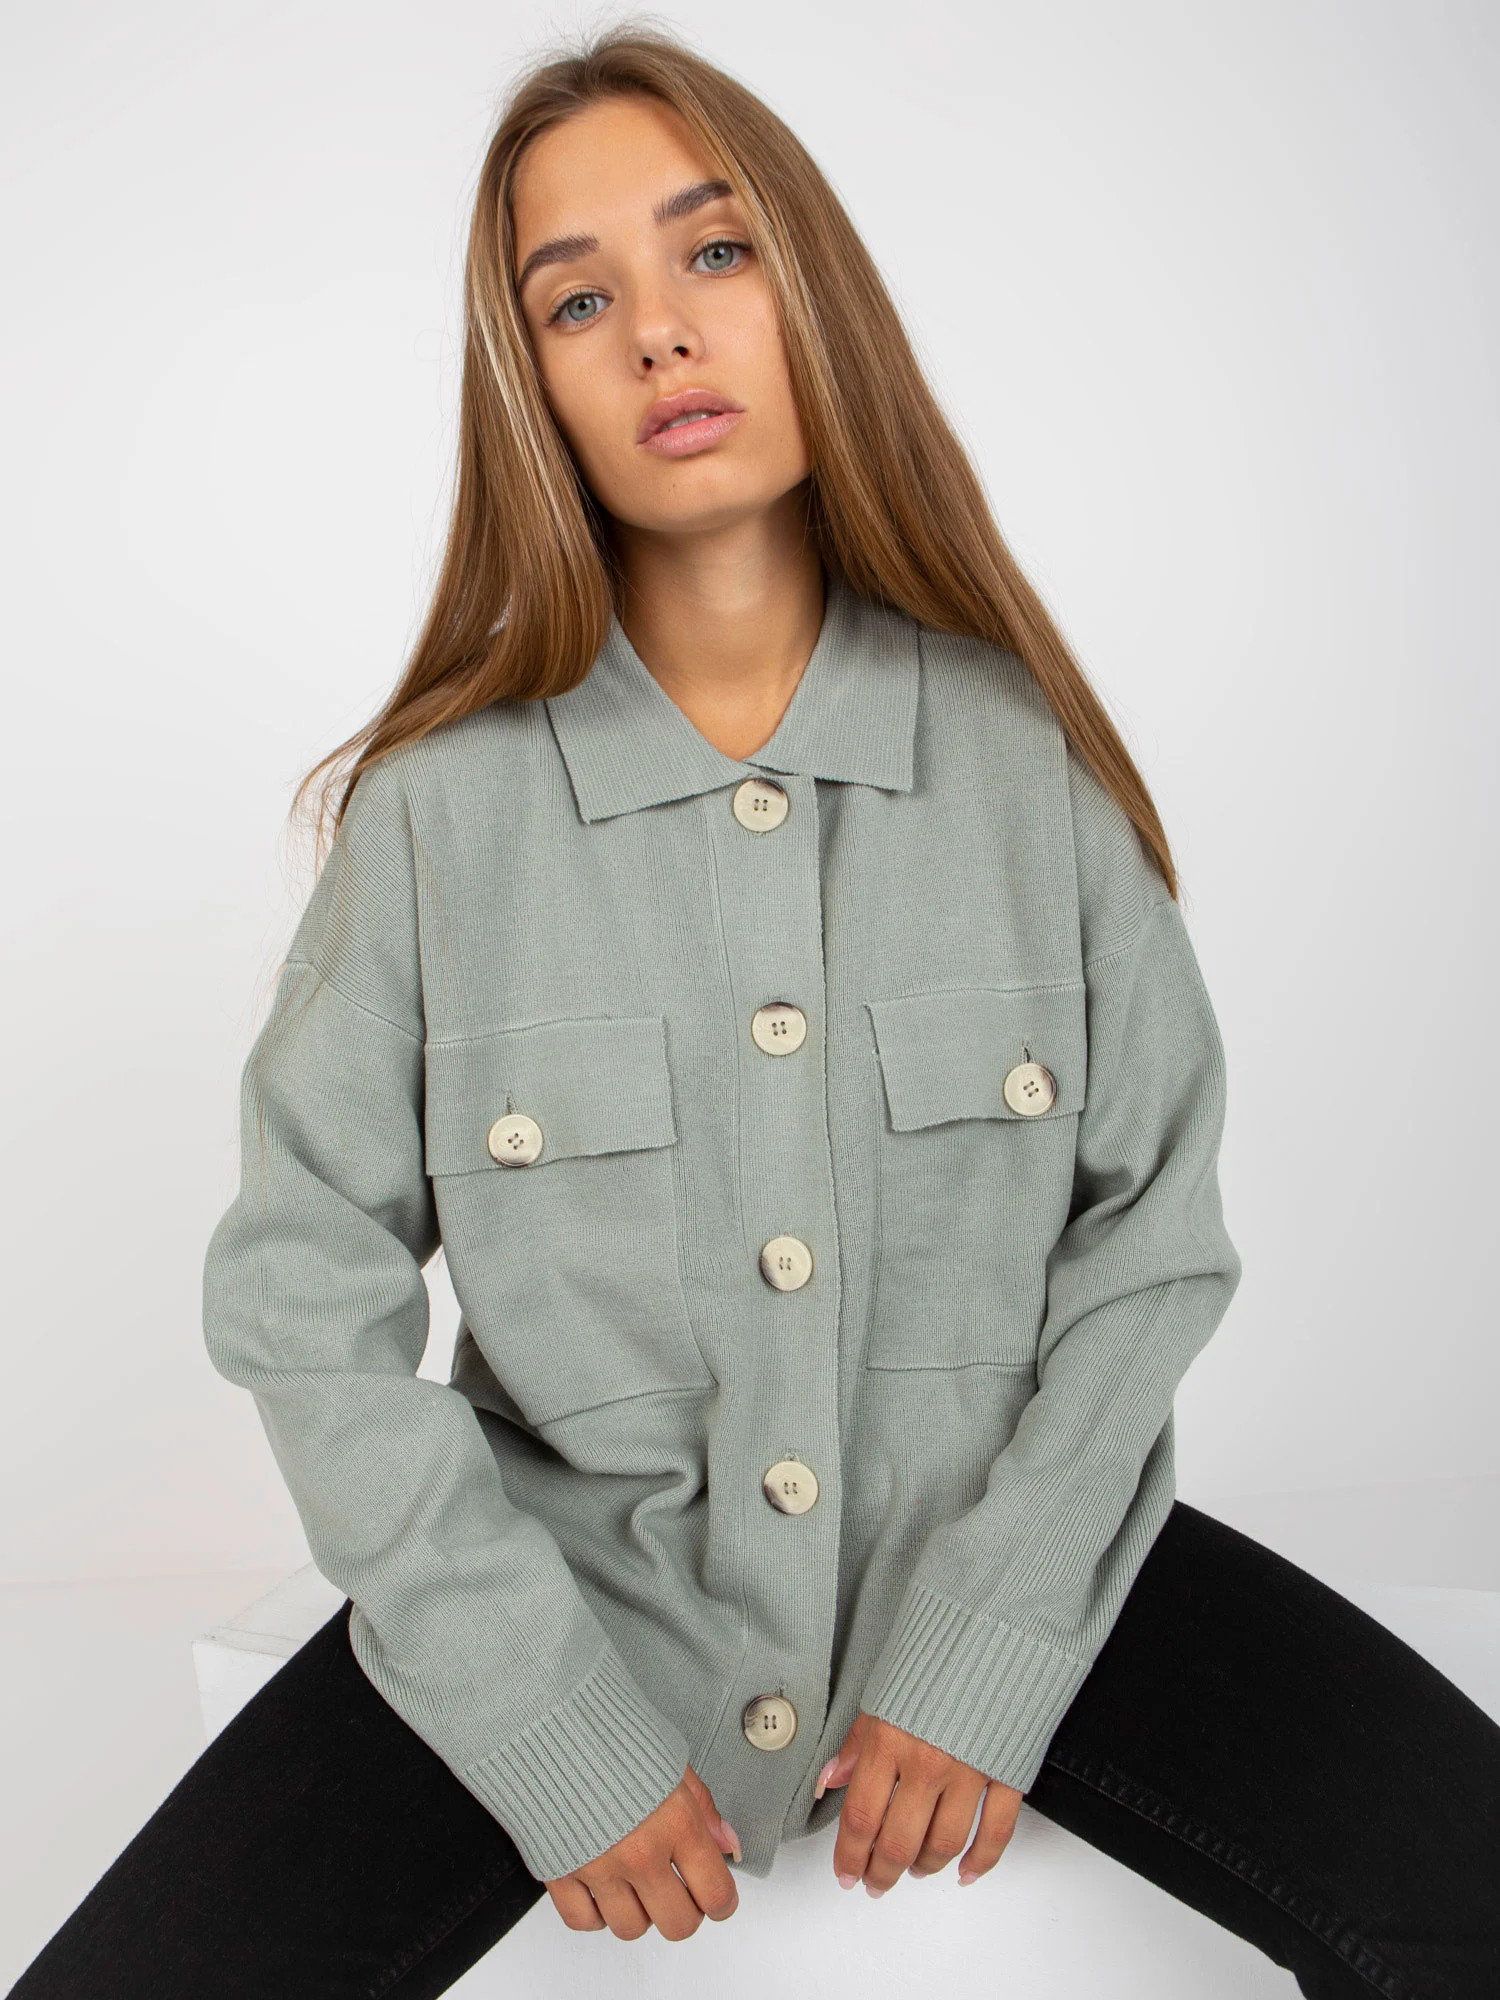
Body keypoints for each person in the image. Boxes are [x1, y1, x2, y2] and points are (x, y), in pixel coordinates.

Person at [10, 21, 1498, 2000]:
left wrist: (988, 1648)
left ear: (815, 291)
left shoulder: (1023, 768)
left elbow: (1151, 1244)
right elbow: (303, 1297)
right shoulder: (440, 822)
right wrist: (542, 1719)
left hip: (1013, 1561)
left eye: (713, 251)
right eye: (576, 299)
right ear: (529, 382)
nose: (659, 333)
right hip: (573, 1601)